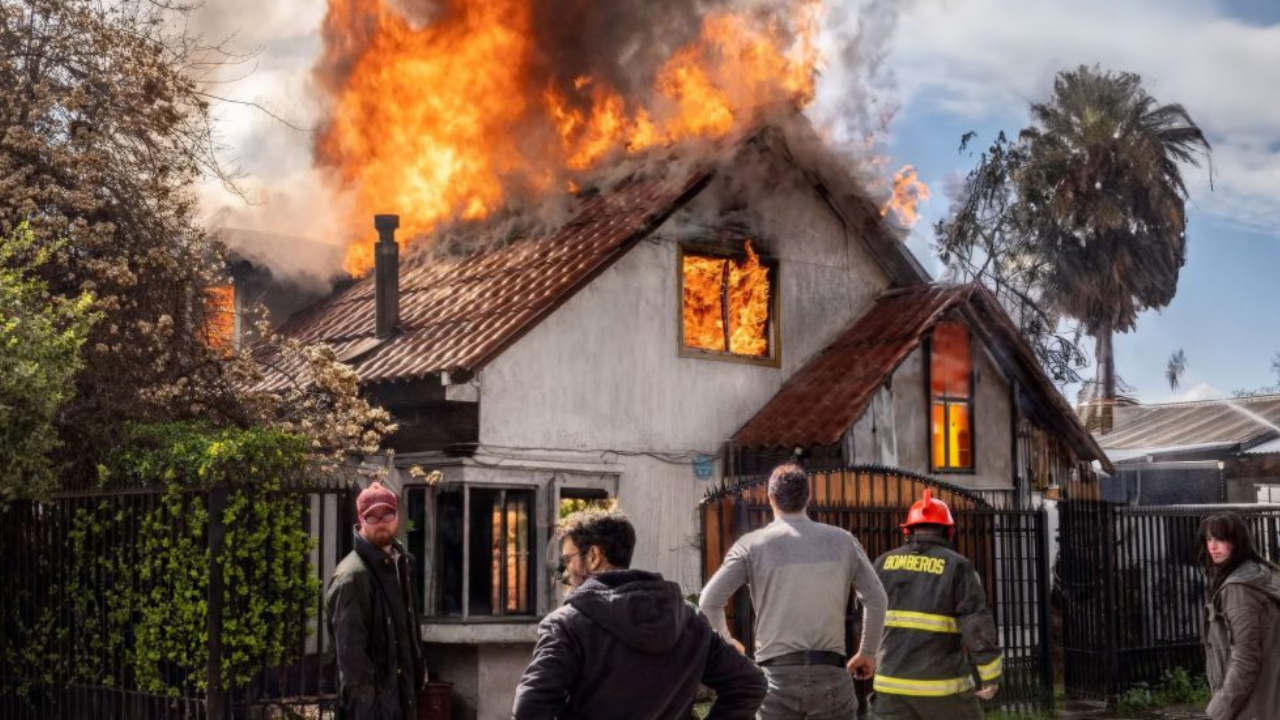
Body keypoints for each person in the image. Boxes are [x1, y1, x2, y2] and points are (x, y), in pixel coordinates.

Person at [512, 509, 765, 719]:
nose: (565, 572)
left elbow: (529, 709)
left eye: (567, 560)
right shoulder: (689, 619)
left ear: (594, 556)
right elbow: (750, 684)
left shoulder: (567, 624)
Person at [700, 463, 888, 720]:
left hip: (776, 681)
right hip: (831, 676)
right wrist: (867, 652)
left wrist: (728, 643)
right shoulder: (843, 541)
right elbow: (877, 599)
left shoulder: (751, 546)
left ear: (769, 497)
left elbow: (709, 601)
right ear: (809, 496)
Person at [869, 489, 1001, 720]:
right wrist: (990, 675)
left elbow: (866, 619)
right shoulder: (958, 567)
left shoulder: (883, 563)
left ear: (908, 530)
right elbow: (976, 625)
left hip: (890, 687)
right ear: (948, 530)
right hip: (943, 689)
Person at [326, 481, 427, 720]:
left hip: (402, 702)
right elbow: (352, 663)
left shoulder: (402, 565)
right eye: (373, 516)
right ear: (361, 519)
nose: (381, 521)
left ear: (397, 515)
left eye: (388, 513)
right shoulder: (351, 577)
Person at [1199, 512, 1280, 720]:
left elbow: (1245, 660)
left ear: (1237, 542)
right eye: (1209, 539)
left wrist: (1219, 711)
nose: (1213, 547)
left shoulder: (1238, 589)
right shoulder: (1262, 573)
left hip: (1252, 707)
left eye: (1221, 539)